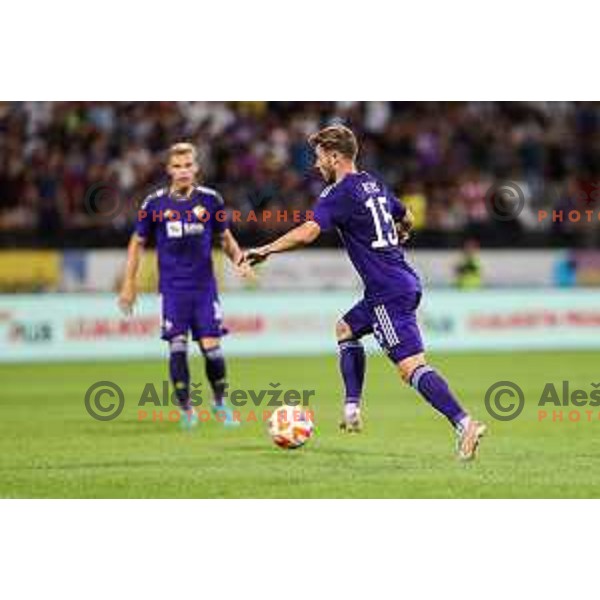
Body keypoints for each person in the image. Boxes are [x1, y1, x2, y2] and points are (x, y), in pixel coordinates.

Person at [245, 125, 486, 460]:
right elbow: (408, 216)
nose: (316, 166)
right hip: (394, 284)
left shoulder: (338, 194)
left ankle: (464, 423)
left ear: (334, 156)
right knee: (345, 328)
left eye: (319, 158)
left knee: (411, 367)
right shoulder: (373, 183)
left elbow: (308, 232)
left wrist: (267, 249)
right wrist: (400, 234)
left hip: (388, 292)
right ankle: (352, 407)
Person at [118, 142, 251, 428]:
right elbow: (137, 242)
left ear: (196, 168)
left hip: (204, 289)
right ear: (168, 169)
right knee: (177, 346)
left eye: (188, 165)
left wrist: (240, 260)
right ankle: (186, 409)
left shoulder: (211, 200)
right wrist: (129, 284)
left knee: (212, 348)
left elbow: (225, 239)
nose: (183, 171)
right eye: (177, 166)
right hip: (173, 290)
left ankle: (219, 403)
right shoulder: (154, 203)